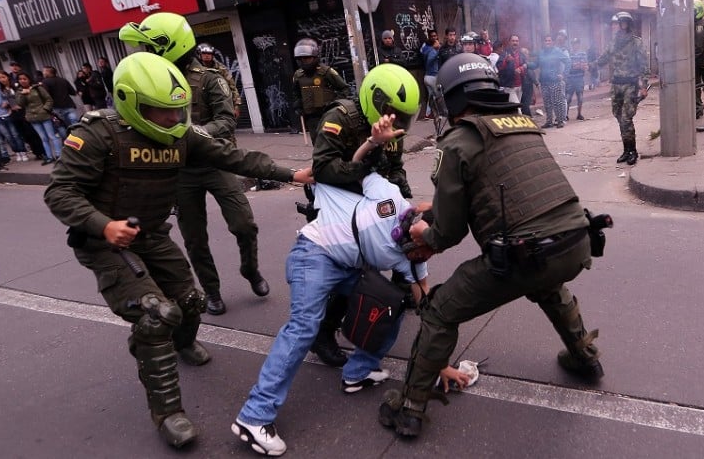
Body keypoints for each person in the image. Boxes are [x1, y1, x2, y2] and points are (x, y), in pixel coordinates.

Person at [43, 51, 313, 449]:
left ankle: (183, 344)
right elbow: (59, 192)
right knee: (156, 315)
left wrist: (291, 173)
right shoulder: (99, 134)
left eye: (178, 110)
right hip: (106, 243)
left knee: (190, 300)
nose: (174, 119)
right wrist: (104, 225)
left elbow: (232, 156)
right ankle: (168, 413)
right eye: (162, 112)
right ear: (132, 103)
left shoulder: (182, 134)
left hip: (152, 234)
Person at [377, 52, 604, 439]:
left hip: (527, 253)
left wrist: (424, 236)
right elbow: (504, 189)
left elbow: (448, 233)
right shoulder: (523, 124)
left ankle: (409, 409)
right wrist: (441, 208)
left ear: (450, 99)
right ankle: (585, 358)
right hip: (577, 238)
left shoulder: (459, 140)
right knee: (549, 287)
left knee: (438, 313)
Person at [233, 132, 434, 456]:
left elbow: (426, 303)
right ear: (414, 222)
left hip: (349, 269)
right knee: (303, 326)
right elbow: (355, 166)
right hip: (314, 254)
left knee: (393, 304)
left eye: (428, 253)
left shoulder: (411, 260)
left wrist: (439, 360)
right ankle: (254, 417)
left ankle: (358, 372)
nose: (422, 255)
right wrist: (371, 141)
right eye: (422, 245)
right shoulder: (391, 198)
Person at [120, 12, 269, 314]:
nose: (146, 54)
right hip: (180, 171)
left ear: (171, 45)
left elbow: (227, 121)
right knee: (195, 239)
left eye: (152, 47)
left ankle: (250, 269)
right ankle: (212, 291)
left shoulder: (210, 79)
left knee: (244, 225)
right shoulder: (148, 81)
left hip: (216, 162)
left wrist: (191, 135)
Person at [308, 63, 420, 367]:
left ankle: (398, 293)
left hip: (370, 199)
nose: (400, 123)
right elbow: (323, 169)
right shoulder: (340, 119)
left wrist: (401, 194)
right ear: (376, 100)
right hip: (338, 201)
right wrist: (365, 168)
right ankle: (323, 333)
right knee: (353, 274)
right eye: (396, 114)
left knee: (405, 240)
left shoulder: (390, 122)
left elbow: (394, 165)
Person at [592, 12, 649, 165]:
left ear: (627, 24)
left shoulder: (636, 42)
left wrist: (643, 86)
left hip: (630, 84)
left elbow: (643, 64)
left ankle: (633, 151)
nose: (615, 26)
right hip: (616, 85)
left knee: (626, 118)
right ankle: (626, 149)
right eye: (614, 24)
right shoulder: (613, 42)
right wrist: (590, 66)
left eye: (618, 23)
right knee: (618, 116)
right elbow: (603, 58)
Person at [290, 38, 351, 141]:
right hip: (311, 117)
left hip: (328, 115)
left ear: (314, 57)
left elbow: (344, 89)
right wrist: (298, 104)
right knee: (317, 142)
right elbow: (296, 93)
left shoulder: (326, 72)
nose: (304, 61)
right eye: (301, 59)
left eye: (307, 58)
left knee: (332, 140)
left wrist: (335, 105)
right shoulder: (298, 75)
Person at [16, 71, 60, 165]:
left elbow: (49, 99)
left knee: (52, 136)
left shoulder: (37, 88)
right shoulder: (19, 91)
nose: (22, 81)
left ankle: (58, 155)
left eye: (24, 79)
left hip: (44, 115)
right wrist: (24, 94)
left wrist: (45, 109)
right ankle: (49, 156)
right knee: (43, 138)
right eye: (20, 79)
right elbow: (20, 104)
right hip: (32, 118)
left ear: (29, 79)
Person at [197, 43, 243, 118]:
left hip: (221, 104)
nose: (207, 55)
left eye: (209, 53)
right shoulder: (195, 69)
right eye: (204, 53)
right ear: (199, 55)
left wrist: (236, 106)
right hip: (203, 107)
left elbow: (233, 87)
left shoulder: (221, 70)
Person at [537, 34, 571, 128]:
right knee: (547, 103)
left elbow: (568, 61)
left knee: (557, 101)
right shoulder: (541, 53)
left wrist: (564, 74)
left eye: (549, 40)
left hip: (555, 81)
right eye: (546, 41)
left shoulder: (557, 51)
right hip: (544, 81)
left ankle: (560, 121)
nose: (547, 42)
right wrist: (526, 65)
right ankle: (549, 121)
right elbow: (536, 64)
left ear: (552, 42)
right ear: (543, 42)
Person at [42, 66, 81, 139]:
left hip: (56, 108)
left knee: (60, 125)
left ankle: (68, 141)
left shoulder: (45, 82)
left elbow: (46, 96)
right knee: (74, 123)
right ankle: (79, 138)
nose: (43, 73)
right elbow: (73, 92)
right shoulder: (63, 80)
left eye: (44, 71)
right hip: (69, 105)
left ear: (48, 72)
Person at [496, 35, 529, 105]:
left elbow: (526, 65)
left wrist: (521, 69)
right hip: (509, 87)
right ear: (509, 42)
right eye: (513, 41)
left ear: (519, 42)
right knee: (517, 107)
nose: (515, 43)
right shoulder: (504, 54)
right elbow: (499, 67)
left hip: (520, 86)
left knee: (516, 107)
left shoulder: (521, 54)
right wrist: (506, 61)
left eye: (516, 41)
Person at [420, 30, 441, 121]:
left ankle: (428, 113)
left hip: (435, 75)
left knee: (432, 95)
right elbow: (428, 59)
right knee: (437, 95)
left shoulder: (438, 46)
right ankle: (436, 112)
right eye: (432, 36)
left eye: (435, 36)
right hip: (431, 76)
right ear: (429, 37)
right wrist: (435, 49)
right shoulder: (427, 48)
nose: (434, 38)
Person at [566, 38, 588, 121]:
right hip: (570, 79)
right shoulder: (569, 54)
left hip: (579, 78)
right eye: (574, 44)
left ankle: (579, 114)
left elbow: (584, 65)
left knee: (580, 98)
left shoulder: (583, 53)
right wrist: (577, 65)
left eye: (576, 43)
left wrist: (576, 65)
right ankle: (565, 114)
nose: (575, 45)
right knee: (568, 98)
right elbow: (569, 66)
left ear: (579, 44)